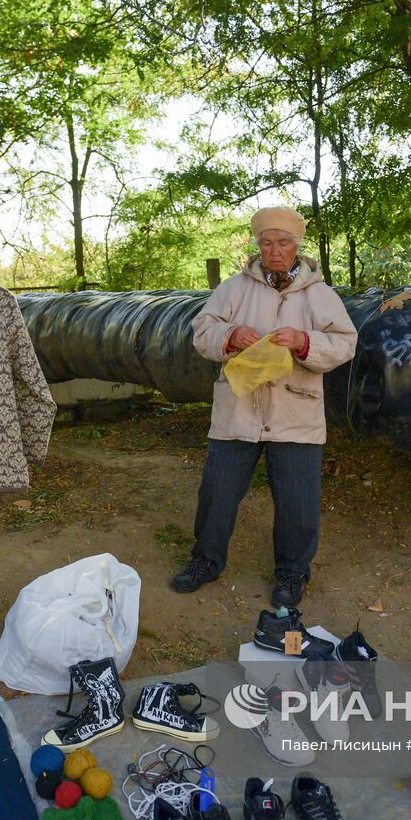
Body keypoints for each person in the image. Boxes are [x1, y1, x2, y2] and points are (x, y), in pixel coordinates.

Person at [172, 207, 358, 606]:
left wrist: (303, 341)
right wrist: (231, 333)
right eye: (267, 242)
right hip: (238, 409)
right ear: (258, 245)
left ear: (297, 246)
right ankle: (205, 561)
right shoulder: (233, 289)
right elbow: (201, 332)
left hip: (296, 412)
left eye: (284, 242)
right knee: (217, 492)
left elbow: (345, 342)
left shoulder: (319, 294)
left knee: (297, 501)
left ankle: (292, 574)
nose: (275, 251)